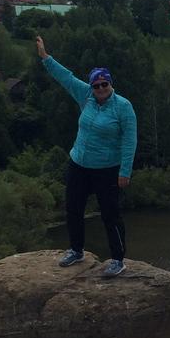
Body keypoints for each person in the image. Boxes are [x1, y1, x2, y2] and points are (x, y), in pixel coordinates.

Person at [36, 35, 137, 279]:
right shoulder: (86, 96)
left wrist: (125, 171)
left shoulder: (123, 107)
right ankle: (76, 250)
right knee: (73, 208)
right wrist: (45, 58)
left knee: (110, 214)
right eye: (96, 85)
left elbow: (129, 140)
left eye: (104, 84)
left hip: (107, 169)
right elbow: (66, 78)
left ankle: (118, 260)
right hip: (79, 164)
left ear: (111, 84)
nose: (100, 89)